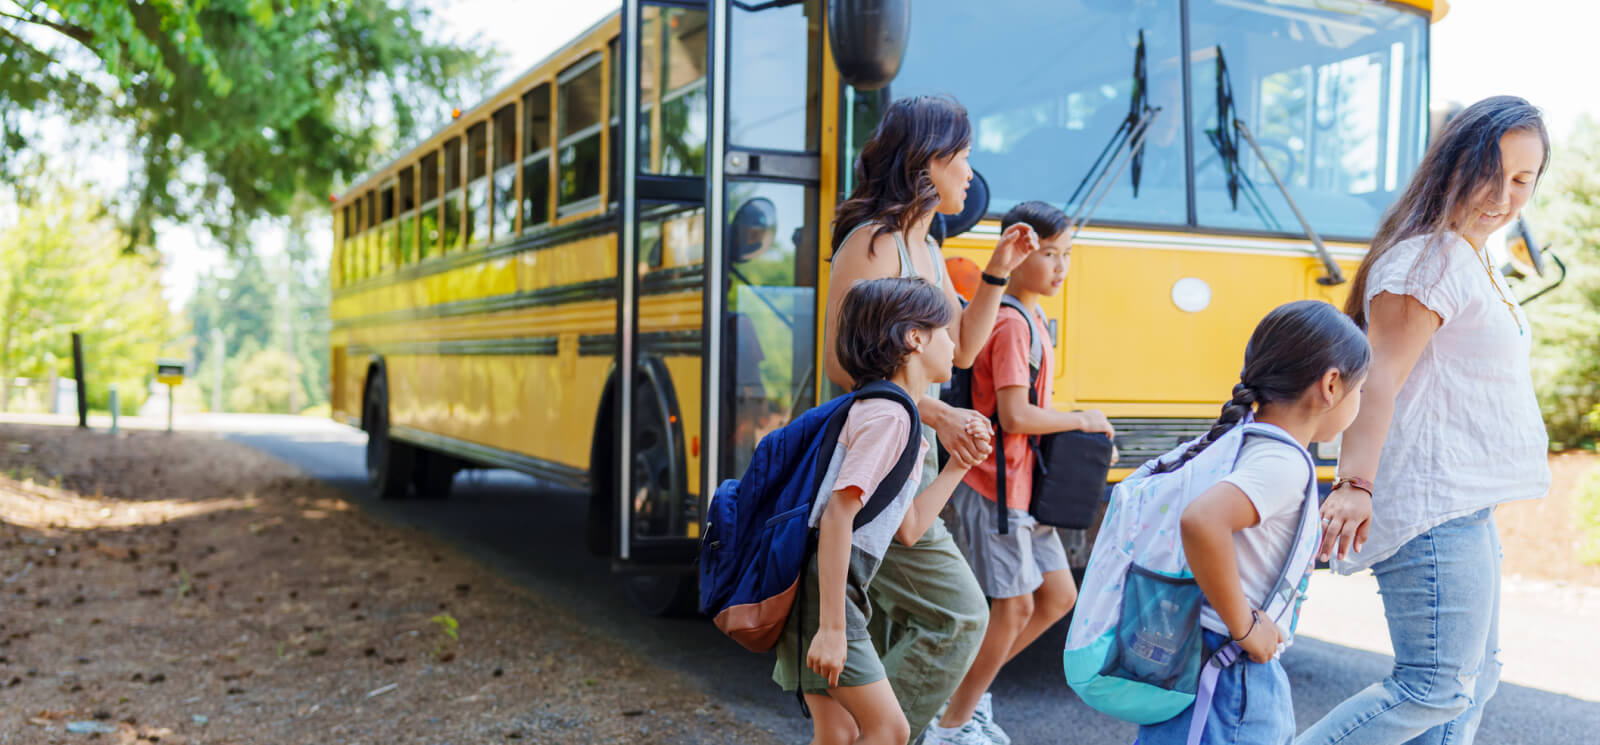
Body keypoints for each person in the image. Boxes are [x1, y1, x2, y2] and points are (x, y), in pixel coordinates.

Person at [1297, 96, 1552, 745]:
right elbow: (1378, 375)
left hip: (1467, 501)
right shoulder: (1427, 260)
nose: (1506, 194)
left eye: (1523, 179)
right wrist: (1354, 483)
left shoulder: (1469, 255)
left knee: (1473, 677)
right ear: (1454, 165)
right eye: (1492, 173)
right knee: (1434, 684)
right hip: (1432, 502)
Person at [821, 94, 1041, 744]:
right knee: (957, 614)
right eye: (963, 157)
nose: (971, 174)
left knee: (899, 623)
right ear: (928, 161)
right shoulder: (874, 243)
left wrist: (997, 271)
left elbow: (964, 349)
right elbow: (844, 369)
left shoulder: (927, 244)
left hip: (905, 460)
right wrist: (939, 413)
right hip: (872, 456)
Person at [1140, 300, 1371, 745]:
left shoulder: (1243, 440)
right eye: (1360, 389)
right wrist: (1245, 627)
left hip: (1200, 655)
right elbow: (1202, 521)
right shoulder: (1282, 462)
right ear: (1331, 385)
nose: (1358, 401)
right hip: (1229, 668)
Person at [775, 277, 992, 745]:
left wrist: (958, 466)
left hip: (823, 591)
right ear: (915, 337)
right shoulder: (890, 417)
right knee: (889, 730)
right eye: (947, 331)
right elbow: (837, 516)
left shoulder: (894, 413)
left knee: (838, 734)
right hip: (828, 598)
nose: (955, 343)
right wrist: (834, 629)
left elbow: (909, 528)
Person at [930, 201, 1113, 745]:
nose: (1060, 267)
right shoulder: (1010, 323)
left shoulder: (1033, 319)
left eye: (1067, 255)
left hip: (1025, 489)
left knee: (1058, 597)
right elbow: (1013, 416)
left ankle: (962, 695)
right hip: (994, 485)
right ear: (1021, 254)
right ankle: (951, 723)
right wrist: (1082, 419)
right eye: (1050, 254)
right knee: (1013, 608)